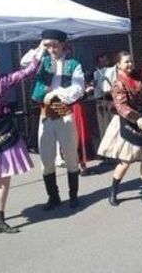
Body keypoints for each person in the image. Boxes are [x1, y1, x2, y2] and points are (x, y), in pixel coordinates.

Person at [0, 46, 45, 233]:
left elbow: (28, 72)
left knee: (3, 176)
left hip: (5, 131)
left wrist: (40, 49)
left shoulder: (3, 80)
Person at [23, 29, 85, 210]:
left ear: (63, 44)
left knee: (71, 155)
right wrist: (40, 49)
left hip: (64, 110)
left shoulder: (74, 64)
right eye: (48, 45)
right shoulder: (41, 60)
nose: (51, 49)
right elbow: (24, 63)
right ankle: (53, 197)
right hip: (46, 112)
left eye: (54, 45)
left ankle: (73, 195)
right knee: (46, 158)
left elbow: (78, 89)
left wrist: (55, 94)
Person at [97, 49, 142, 206]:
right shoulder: (118, 84)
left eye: (131, 61)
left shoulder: (136, 75)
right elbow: (121, 107)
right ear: (119, 65)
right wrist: (137, 118)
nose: (130, 64)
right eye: (126, 62)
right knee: (126, 161)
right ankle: (113, 192)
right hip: (127, 121)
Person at [93, 54, 117, 140]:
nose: (106, 59)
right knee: (103, 124)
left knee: (113, 122)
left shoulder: (112, 69)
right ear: (99, 60)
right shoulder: (96, 73)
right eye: (104, 58)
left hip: (110, 98)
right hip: (100, 99)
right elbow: (96, 88)